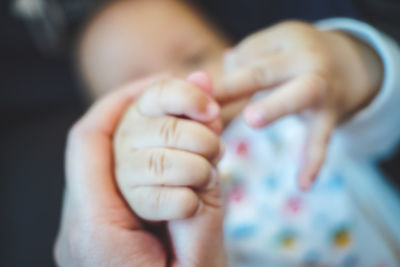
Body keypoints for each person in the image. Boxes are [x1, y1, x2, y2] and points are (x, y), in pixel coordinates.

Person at [55, 0, 400, 266]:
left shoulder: (288, 109)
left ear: (231, 48)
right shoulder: (148, 197)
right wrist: (138, 195)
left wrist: (353, 65)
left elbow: (385, 120)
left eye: (195, 57)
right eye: (141, 90)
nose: (179, 86)